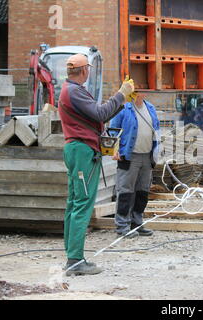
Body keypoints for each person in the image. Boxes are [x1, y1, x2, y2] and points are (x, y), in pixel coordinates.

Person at [58, 53, 134, 276]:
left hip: (77, 149)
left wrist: (120, 101)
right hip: (82, 150)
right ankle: (75, 261)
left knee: (74, 203)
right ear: (84, 70)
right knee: (82, 204)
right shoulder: (74, 91)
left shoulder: (72, 90)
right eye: (88, 70)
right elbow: (100, 112)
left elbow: (97, 115)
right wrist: (121, 94)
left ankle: (73, 257)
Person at [110, 91, 160, 238]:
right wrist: (114, 149)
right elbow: (113, 129)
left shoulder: (150, 107)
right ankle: (122, 226)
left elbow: (156, 131)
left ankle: (137, 224)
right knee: (125, 192)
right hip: (129, 156)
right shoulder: (124, 108)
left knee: (142, 192)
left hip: (147, 156)